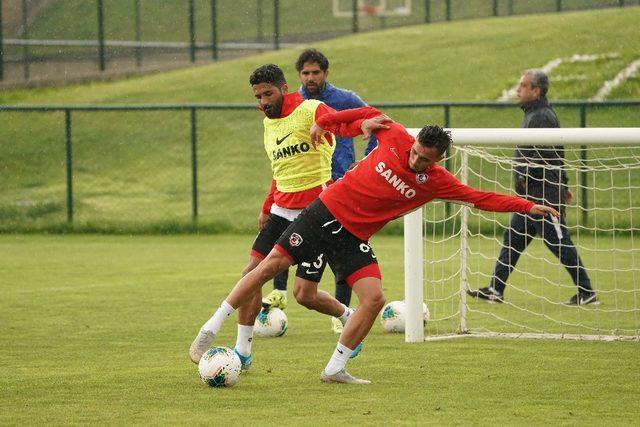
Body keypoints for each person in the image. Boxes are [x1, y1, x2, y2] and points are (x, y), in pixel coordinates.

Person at [189, 104, 559, 384]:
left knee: (374, 298)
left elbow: (480, 198)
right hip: (323, 214)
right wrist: (328, 124)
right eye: (416, 152)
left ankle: (335, 369)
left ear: (439, 159)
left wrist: (528, 206)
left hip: (353, 238)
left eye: (425, 159)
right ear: (412, 142)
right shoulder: (395, 134)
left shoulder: (438, 181)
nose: (416, 159)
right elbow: (362, 113)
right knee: (269, 267)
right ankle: (211, 326)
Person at [189, 64, 364, 370]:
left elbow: (345, 123)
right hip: (280, 212)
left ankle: (347, 316)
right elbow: (279, 170)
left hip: (315, 215)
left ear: (284, 89)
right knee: (252, 272)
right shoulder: (269, 123)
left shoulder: (311, 109)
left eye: (268, 94)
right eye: (258, 97)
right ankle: (242, 350)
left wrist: (362, 129)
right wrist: (267, 204)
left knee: (304, 295)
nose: (263, 102)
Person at [263, 48, 378, 334]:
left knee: (338, 247)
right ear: (298, 76)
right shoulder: (294, 103)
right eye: (305, 73)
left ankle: (341, 309)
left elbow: (371, 126)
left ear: (326, 73)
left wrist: (363, 163)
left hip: (341, 184)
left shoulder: (345, 99)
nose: (311, 77)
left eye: (316, 72)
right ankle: (280, 292)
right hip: (306, 185)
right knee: (287, 236)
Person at [467, 69, 597, 306]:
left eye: (523, 86)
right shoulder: (534, 114)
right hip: (530, 196)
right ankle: (496, 289)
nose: (518, 90)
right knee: (513, 239)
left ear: (535, 91)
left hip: (543, 195)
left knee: (558, 241)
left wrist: (531, 176)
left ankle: (587, 292)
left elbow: (549, 155)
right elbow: (556, 153)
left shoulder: (541, 117)